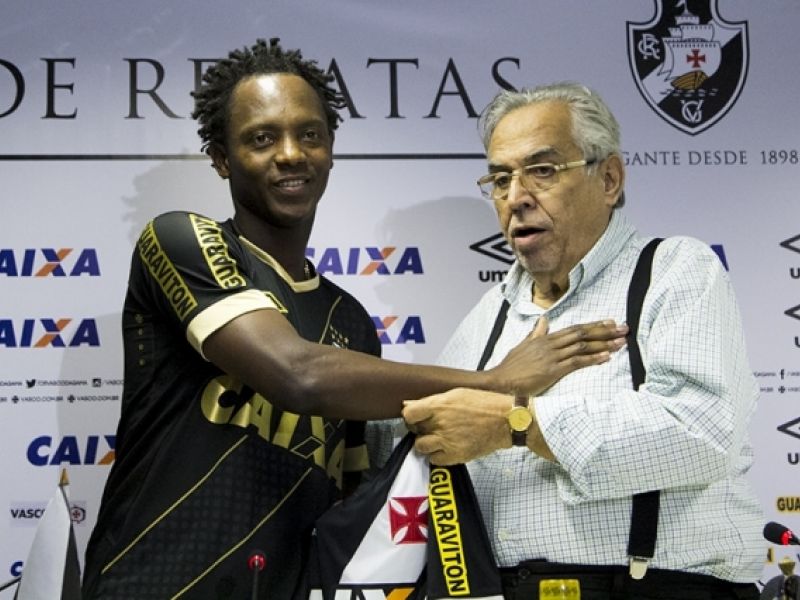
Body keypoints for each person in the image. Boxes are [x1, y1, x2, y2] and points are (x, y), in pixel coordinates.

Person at [80, 42, 628, 600]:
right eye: (262, 138)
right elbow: (299, 375)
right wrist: (496, 384)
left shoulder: (350, 322)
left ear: (331, 150)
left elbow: (353, 498)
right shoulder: (182, 240)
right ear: (222, 159)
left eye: (310, 134)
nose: (291, 154)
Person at [403, 82, 764, 599]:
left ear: (609, 178)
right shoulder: (489, 315)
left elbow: (701, 432)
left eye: (542, 171)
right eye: (500, 179)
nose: (516, 197)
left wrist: (516, 423)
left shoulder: (674, 270)